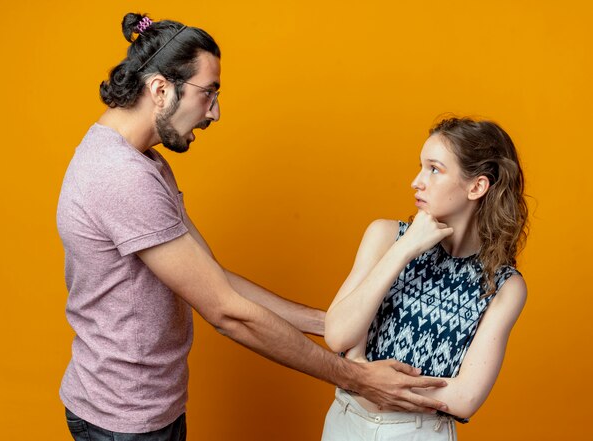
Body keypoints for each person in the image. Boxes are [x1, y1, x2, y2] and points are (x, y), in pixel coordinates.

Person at [56, 13, 449, 441]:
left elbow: (212, 277)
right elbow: (226, 312)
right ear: (160, 89)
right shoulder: (121, 177)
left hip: (145, 409)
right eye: (208, 94)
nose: (216, 113)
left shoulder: (144, 163)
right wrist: (358, 378)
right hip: (122, 422)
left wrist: (329, 322)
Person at [322, 117, 528, 440]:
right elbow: (337, 334)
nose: (416, 181)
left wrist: (373, 379)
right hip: (346, 422)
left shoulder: (503, 286)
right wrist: (404, 249)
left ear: (477, 187)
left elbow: (465, 398)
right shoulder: (385, 236)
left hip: (420, 433)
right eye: (421, 167)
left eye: (434, 169)